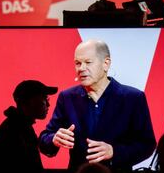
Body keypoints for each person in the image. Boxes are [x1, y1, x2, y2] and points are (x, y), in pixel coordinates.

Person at [39, 39, 156, 172]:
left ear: (106, 64)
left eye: (88, 62)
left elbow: (147, 144)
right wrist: (53, 139)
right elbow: (45, 138)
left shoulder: (133, 98)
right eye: (77, 63)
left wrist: (114, 152)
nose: (81, 68)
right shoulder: (67, 97)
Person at [0, 80, 58, 173]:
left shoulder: (19, 127)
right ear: (28, 101)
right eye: (44, 98)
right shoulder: (13, 133)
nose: (48, 104)